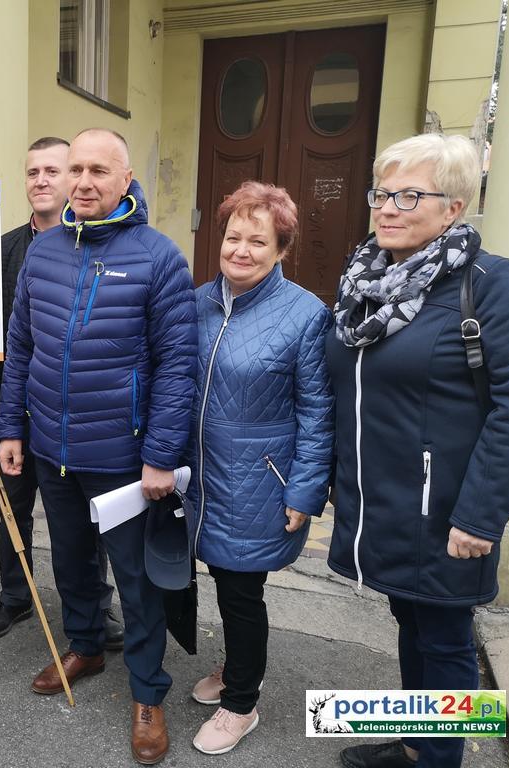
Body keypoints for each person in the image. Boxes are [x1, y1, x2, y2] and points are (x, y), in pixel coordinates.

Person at [326, 133, 509, 768]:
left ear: (454, 208)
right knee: (411, 624)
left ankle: (444, 760)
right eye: (382, 193)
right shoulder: (367, 280)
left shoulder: (492, 284)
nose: (388, 208)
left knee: (446, 639)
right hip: (379, 500)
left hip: (447, 507)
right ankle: (420, 742)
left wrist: (479, 515)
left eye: (409, 195)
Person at [0, 128, 197, 765]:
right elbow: (20, 345)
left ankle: (147, 693)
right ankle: (83, 644)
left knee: (137, 584)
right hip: (53, 449)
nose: (82, 181)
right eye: (73, 169)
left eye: (97, 171)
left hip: (122, 456)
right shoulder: (44, 251)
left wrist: (161, 453)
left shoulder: (159, 258)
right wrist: (10, 427)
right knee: (71, 564)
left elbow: (177, 366)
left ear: (124, 177)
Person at [189, 182, 333, 755]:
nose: (241, 250)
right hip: (199, 474)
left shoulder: (304, 314)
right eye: (233, 237)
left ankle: (241, 703)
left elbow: (318, 412)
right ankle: (235, 668)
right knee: (218, 582)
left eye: (258, 240)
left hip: (259, 479)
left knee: (242, 591)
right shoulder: (198, 302)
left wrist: (305, 490)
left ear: (281, 250)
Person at [0, 137, 123, 647]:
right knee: (11, 507)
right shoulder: (5, 248)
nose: (41, 180)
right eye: (32, 171)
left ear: (73, 180)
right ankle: (15, 596)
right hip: (16, 409)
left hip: (76, 412)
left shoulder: (96, 245)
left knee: (85, 517)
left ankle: (96, 610)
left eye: (51, 171)